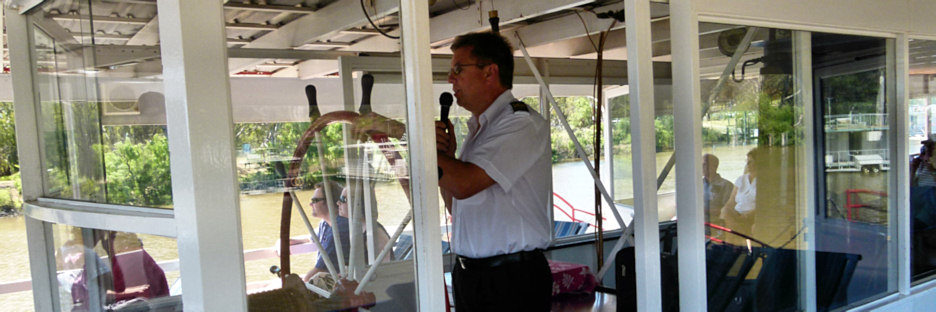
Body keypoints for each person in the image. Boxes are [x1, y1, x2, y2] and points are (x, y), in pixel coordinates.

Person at [435, 31, 552, 311]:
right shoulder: (479, 130)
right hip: (470, 277)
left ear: (490, 72)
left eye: (458, 69)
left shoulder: (520, 124)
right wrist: (446, 157)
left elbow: (464, 184)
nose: (451, 79)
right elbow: (457, 202)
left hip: (511, 281)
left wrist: (426, 152)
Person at [303, 181, 350, 282]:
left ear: (329, 201)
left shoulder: (339, 229)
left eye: (314, 200)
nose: (310, 204)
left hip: (339, 287)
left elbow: (317, 273)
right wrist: (293, 241)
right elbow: (313, 238)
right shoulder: (325, 224)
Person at [337, 186, 393, 262]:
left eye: (343, 199)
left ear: (358, 203)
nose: (338, 203)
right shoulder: (359, 227)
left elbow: (382, 270)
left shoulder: (375, 234)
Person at [721, 150, 757, 243]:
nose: (747, 164)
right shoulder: (741, 179)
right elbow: (731, 202)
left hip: (752, 216)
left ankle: (731, 246)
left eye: (750, 161)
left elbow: (763, 205)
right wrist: (728, 211)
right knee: (726, 211)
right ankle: (734, 245)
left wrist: (746, 216)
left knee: (733, 227)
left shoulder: (764, 181)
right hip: (737, 214)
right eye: (747, 161)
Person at [703, 154, 734, 228]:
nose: (701, 167)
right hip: (697, 218)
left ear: (713, 167)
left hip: (714, 222)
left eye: (704, 164)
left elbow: (726, 211)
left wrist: (703, 210)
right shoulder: (697, 184)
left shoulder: (726, 185)